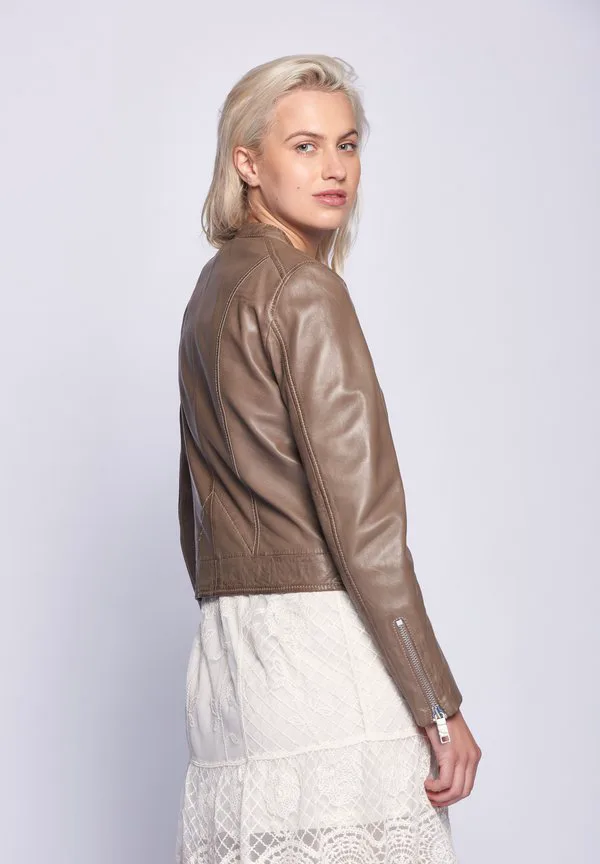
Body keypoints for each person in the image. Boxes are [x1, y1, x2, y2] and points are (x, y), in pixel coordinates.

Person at [175, 54, 481, 864]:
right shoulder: (304, 291)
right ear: (248, 163)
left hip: (233, 668)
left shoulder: (212, 291)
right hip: (324, 665)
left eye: (347, 144)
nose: (335, 168)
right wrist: (437, 703)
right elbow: (364, 525)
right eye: (305, 146)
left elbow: (194, 511)